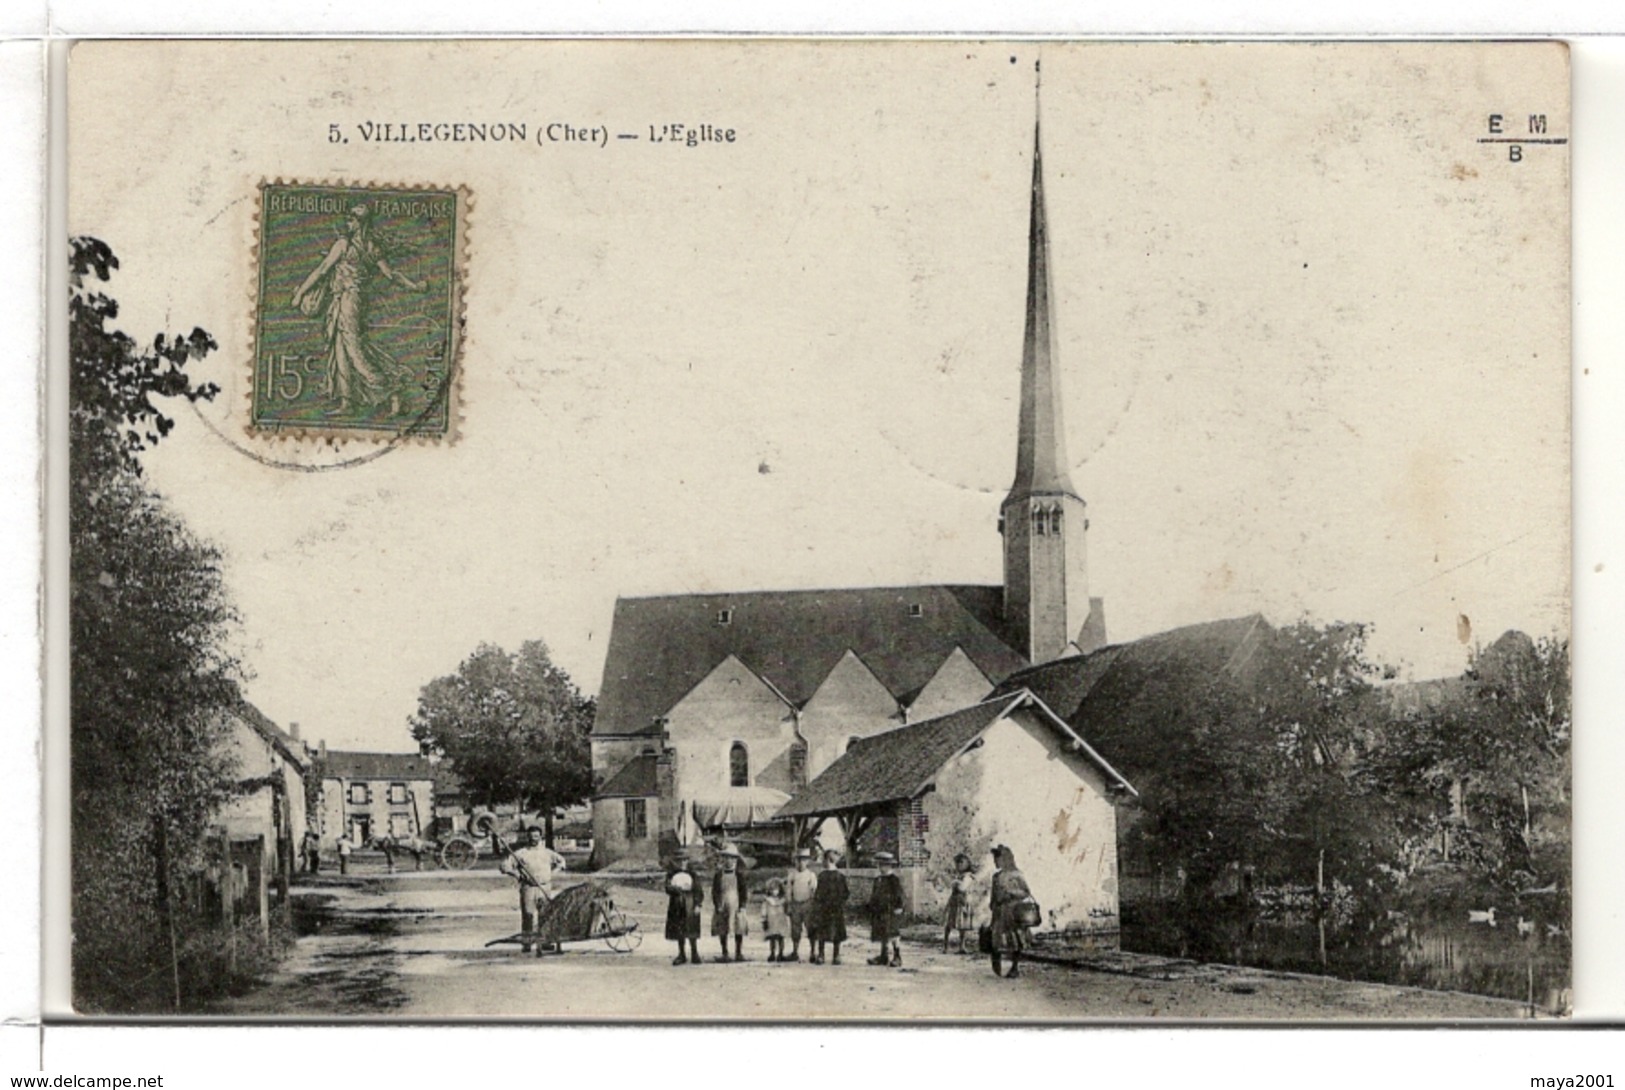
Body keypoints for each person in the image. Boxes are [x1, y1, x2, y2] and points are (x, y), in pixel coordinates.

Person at [290, 203, 427, 415]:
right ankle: (347, 403)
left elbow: (323, 269)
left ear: (360, 222)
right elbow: (392, 275)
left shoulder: (344, 244)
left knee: (354, 350)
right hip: (348, 300)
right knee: (341, 349)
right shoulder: (372, 247)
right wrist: (415, 286)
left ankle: (392, 392)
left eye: (351, 220)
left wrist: (300, 294)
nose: (348, 223)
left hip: (349, 301)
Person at [500, 827, 568, 956]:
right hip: (528, 887)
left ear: (540, 837)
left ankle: (546, 942)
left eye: (536, 836)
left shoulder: (547, 852)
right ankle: (527, 943)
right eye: (531, 836)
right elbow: (504, 866)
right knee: (528, 915)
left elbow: (562, 862)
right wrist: (517, 874)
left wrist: (552, 873)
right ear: (527, 837)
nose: (533, 839)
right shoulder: (520, 853)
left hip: (545, 887)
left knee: (546, 914)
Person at [988, 844, 1034, 979]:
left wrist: (1012, 893)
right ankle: (997, 961)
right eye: (995, 859)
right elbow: (993, 894)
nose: (996, 862)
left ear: (1006, 859)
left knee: (1015, 938)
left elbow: (1026, 892)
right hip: (999, 910)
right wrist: (993, 904)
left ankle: (1015, 967)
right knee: (997, 938)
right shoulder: (996, 876)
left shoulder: (1017, 875)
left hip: (1013, 911)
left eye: (998, 859)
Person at [711, 843, 750, 962]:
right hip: (722, 904)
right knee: (722, 928)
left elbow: (743, 892)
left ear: (736, 860)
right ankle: (725, 952)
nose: (729, 860)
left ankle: (738, 952)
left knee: (738, 927)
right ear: (723, 859)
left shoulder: (739, 875)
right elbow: (715, 891)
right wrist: (717, 904)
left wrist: (743, 905)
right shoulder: (718, 875)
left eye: (732, 858)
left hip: (736, 904)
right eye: (727, 857)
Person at [808, 849, 849, 965]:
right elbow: (846, 893)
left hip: (829, 908)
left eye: (824, 860)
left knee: (830, 932)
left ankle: (827, 955)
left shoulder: (826, 876)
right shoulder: (835, 876)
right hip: (831, 909)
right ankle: (830, 955)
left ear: (828, 860)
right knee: (827, 931)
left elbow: (819, 894)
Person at [866, 851, 905, 967]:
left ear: (889, 865)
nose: (880, 867)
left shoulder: (894, 880)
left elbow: (899, 895)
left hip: (890, 910)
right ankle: (883, 956)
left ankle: (897, 956)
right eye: (879, 865)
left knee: (892, 933)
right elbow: (874, 894)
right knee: (882, 933)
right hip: (879, 910)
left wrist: (899, 906)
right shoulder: (878, 879)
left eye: (882, 865)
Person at [664, 856, 705, 966]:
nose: (682, 863)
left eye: (685, 860)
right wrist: (678, 889)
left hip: (690, 903)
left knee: (691, 927)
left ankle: (694, 953)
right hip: (676, 904)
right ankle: (681, 954)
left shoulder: (693, 875)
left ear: (688, 862)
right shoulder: (671, 875)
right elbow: (667, 888)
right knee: (679, 929)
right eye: (679, 861)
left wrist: (698, 904)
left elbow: (698, 891)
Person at [784, 847, 819, 962]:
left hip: (807, 904)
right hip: (795, 904)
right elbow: (789, 890)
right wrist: (789, 904)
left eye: (803, 860)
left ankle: (813, 952)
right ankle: (795, 951)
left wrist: (813, 905)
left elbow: (814, 891)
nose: (800, 863)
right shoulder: (792, 875)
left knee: (811, 928)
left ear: (807, 861)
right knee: (795, 929)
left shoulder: (811, 875)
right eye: (798, 860)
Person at [942, 853, 976, 954]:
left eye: (961, 863)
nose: (959, 865)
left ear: (967, 864)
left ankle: (962, 946)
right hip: (954, 901)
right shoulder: (958, 876)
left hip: (963, 902)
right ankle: (945, 946)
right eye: (957, 863)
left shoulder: (969, 876)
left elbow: (962, 888)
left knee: (963, 925)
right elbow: (952, 887)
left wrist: (956, 882)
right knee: (949, 924)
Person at [760, 878, 790, 962]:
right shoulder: (767, 901)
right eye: (772, 889)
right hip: (771, 921)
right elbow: (764, 911)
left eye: (776, 889)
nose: (774, 891)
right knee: (772, 938)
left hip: (781, 921)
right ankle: (772, 953)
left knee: (781, 938)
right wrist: (764, 920)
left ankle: (781, 953)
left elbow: (787, 910)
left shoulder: (783, 901)